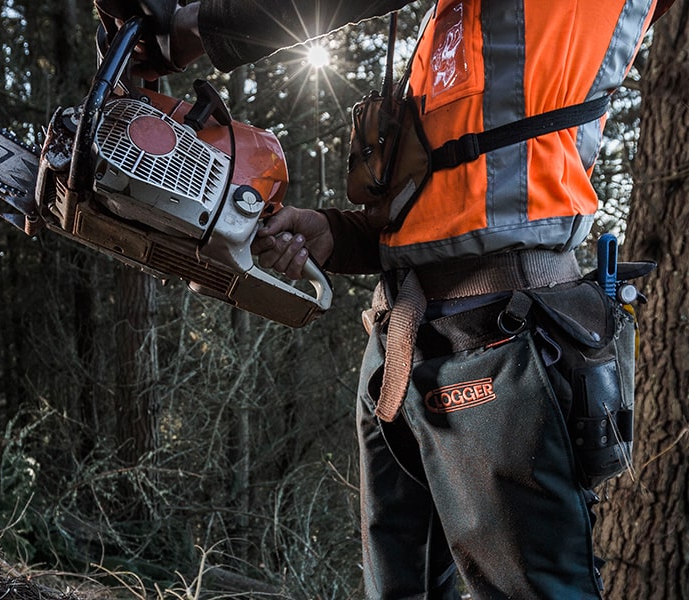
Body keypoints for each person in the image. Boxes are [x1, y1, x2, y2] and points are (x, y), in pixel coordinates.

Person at [95, 1, 668, 598]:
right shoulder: (458, 28)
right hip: (400, 343)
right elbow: (451, 196)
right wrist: (334, 233)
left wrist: (193, 27)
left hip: (504, 333)